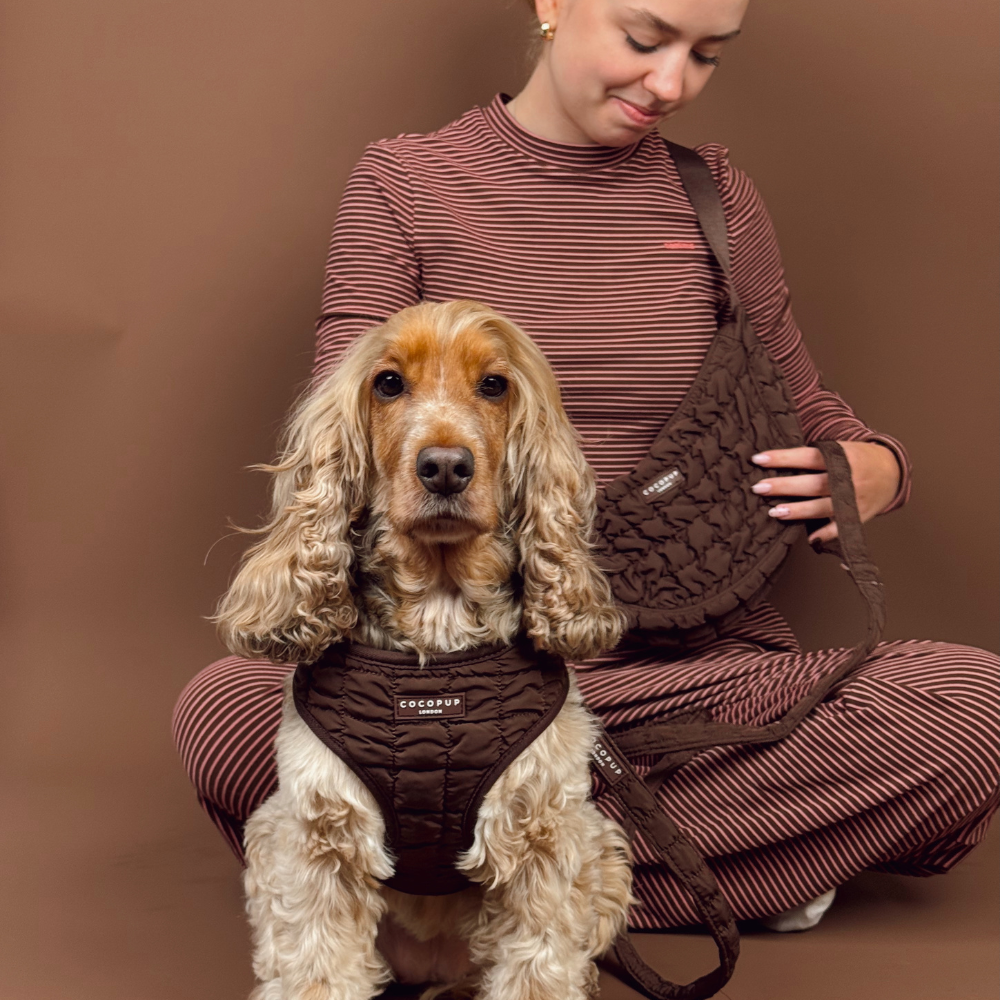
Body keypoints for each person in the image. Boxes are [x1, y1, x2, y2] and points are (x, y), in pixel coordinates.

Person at [173, 0, 998, 939]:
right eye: (644, 39)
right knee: (229, 715)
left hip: (685, 673)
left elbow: (795, 399)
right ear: (554, 4)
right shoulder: (407, 184)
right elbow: (348, 422)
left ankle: (470, 885)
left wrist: (876, 464)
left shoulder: (714, 198)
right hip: (452, 673)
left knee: (968, 707)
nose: (670, 83)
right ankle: (715, 868)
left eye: (707, 56)